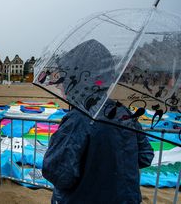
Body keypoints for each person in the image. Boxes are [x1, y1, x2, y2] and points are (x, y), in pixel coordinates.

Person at [41, 39, 155, 203]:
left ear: (80, 79)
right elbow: (145, 155)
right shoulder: (123, 112)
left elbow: (60, 174)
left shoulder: (78, 119)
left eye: (64, 79)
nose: (59, 85)